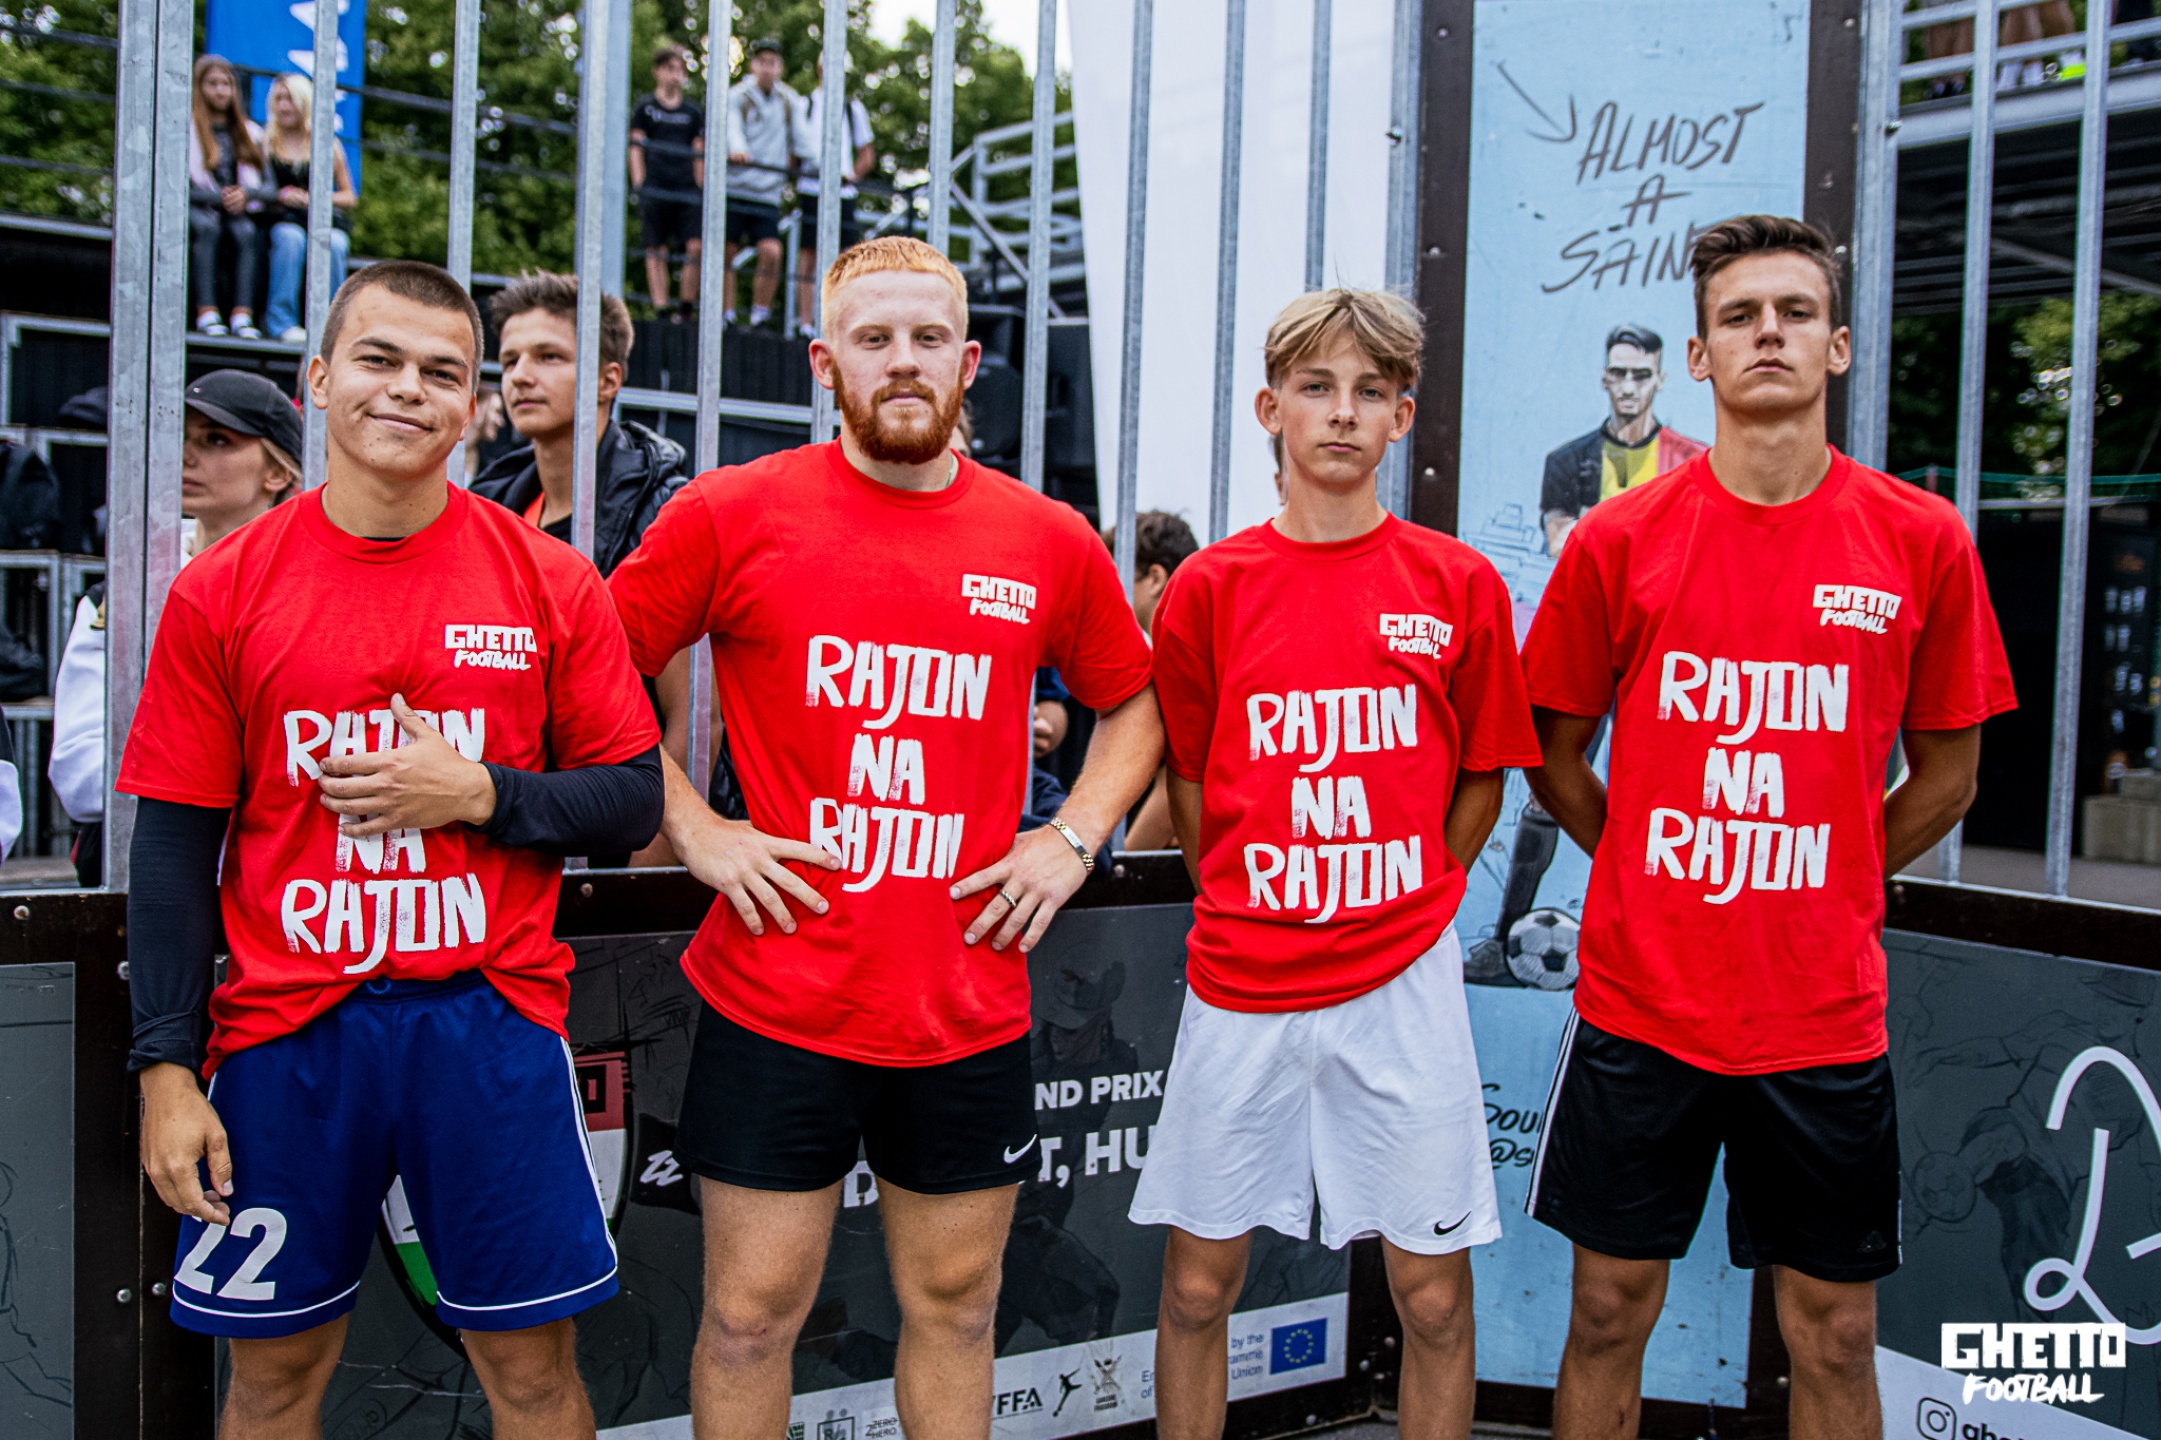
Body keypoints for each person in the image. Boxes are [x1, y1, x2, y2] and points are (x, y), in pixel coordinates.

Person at [605, 235, 1163, 1440]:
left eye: (926, 339)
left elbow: (1135, 702)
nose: (902, 361)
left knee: (958, 1309)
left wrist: (1071, 837)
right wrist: (693, 825)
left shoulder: (1045, 536)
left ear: (967, 363)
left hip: (964, 997)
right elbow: (591, 672)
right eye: (873, 339)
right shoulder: (731, 512)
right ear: (825, 363)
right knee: (748, 1318)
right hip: (777, 995)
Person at [120, 261, 664, 1434]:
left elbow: (629, 802)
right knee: (273, 1377)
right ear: (319, 380)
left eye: (441, 371)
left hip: (488, 1023)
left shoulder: (551, 580)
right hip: (285, 1035)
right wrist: (164, 1068)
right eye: (379, 359)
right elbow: (171, 845)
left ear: (472, 406)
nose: (408, 389)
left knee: (531, 1371)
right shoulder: (222, 589)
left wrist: (480, 793)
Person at [1519, 215, 2016, 1440]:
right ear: (1699, 357)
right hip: (1644, 1003)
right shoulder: (1619, 540)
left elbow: (1949, 778)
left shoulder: (1919, 538)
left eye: (1795, 312)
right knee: (1605, 1311)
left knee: (1833, 1329)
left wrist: (1833, 873)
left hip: (1818, 1010)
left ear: (1836, 344)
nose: (1768, 334)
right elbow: (1551, 754)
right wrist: (1640, 862)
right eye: (1738, 316)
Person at [1133, 288, 1541, 1440]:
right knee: (1196, 1289)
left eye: (1370, 391)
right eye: (1317, 387)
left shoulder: (1457, 585)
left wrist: (1416, 897)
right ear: (1272, 408)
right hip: (1242, 979)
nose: (1343, 412)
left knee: (1434, 1300)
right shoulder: (1209, 588)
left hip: (1402, 981)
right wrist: (1248, 893)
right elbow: (1191, 781)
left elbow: (1483, 778)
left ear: (1402, 417)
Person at [49, 371, 304, 887]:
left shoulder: (313, 593)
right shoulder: (122, 595)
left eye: (216, 440)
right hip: (144, 879)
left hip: (276, 885)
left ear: (277, 471)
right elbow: (80, 775)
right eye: (181, 438)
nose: (186, 457)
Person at [473, 270, 694, 863]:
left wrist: (644, 870)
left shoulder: (662, 509)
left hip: (621, 835)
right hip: (511, 830)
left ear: (608, 379)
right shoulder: (493, 505)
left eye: (549, 356)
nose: (521, 375)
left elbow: (695, 716)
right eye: (510, 359)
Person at [1539, 324, 1705, 554]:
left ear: (1660, 380)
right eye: (1618, 373)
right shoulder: (1566, 462)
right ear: (1604, 378)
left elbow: (1700, 546)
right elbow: (1559, 546)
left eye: (1641, 376)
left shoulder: (1693, 461)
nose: (1628, 388)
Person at [1112, 510, 1199, 850]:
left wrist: (1122, 865)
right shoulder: (1198, 639)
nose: (1104, 590)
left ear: (1154, 578)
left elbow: (1171, 789)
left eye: (1113, 575)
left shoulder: (1178, 652)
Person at [259, 74, 358, 345]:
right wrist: (278, 195)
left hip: (320, 219)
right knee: (290, 240)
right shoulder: (265, 141)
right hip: (280, 218)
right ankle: (281, 322)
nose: (284, 106)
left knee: (335, 244)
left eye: (290, 99)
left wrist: (313, 198)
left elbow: (349, 197)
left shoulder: (328, 144)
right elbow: (253, 186)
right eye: (279, 99)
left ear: (304, 102)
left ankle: (330, 325)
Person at [791, 53, 876, 338]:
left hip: (843, 193)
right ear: (820, 69)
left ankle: (841, 325)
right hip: (812, 189)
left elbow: (867, 154)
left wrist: (851, 175)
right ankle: (806, 324)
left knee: (846, 260)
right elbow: (794, 152)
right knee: (809, 256)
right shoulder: (805, 104)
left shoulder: (853, 109)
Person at [188, 55, 266, 339]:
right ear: (199, 87)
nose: (221, 91)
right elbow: (175, 187)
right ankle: (206, 312)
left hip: (235, 208)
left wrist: (247, 194)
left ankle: (242, 315)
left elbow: (270, 187)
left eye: (226, 84)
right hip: (198, 206)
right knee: (207, 227)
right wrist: (215, 197)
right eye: (213, 84)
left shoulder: (249, 132)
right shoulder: (185, 129)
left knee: (246, 232)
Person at [722, 37, 798, 328]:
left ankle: (759, 315)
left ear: (780, 68)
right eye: (762, 62)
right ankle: (725, 315)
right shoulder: (737, 96)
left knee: (772, 252)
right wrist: (738, 149)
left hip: (767, 193)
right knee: (726, 252)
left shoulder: (788, 100)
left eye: (773, 63)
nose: (767, 68)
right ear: (753, 65)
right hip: (735, 187)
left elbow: (802, 138)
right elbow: (731, 127)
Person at [629, 42, 706, 321]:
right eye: (670, 68)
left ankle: (685, 308)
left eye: (680, 69)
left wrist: (700, 187)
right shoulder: (646, 107)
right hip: (656, 185)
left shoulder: (692, 112)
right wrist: (640, 184)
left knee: (695, 246)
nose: (676, 75)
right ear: (657, 71)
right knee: (656, 248)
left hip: (686, 187)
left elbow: (699, 151)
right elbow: (635, 146)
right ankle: (661, 308)